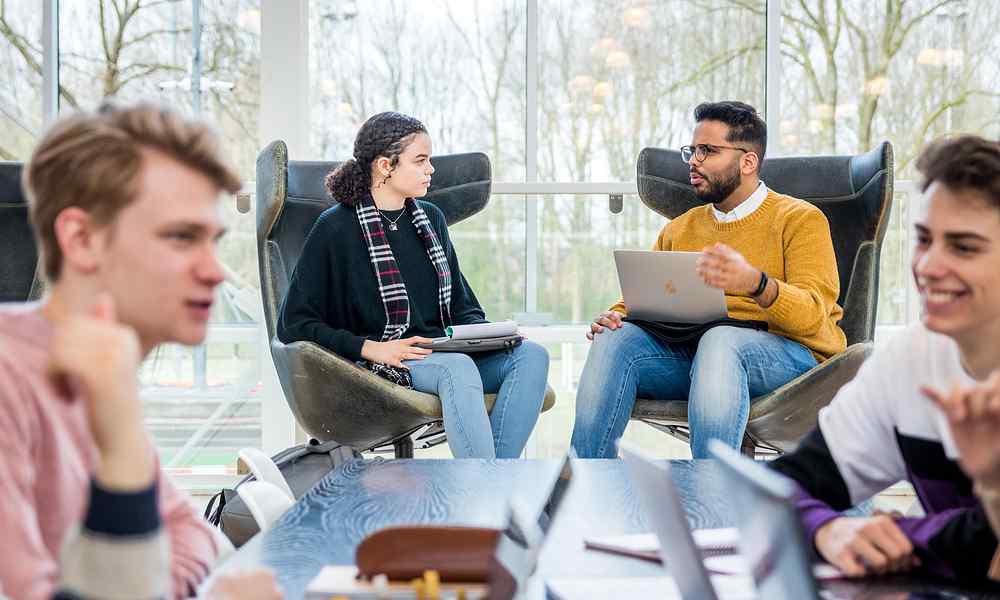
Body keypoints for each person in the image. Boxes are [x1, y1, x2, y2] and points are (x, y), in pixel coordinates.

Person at [0, 101, 242, 599]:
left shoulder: (103, 371)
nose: (216, 271)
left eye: (213, 241)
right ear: (82, 238)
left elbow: (194, 533)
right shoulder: (8, 376)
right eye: (181, 237)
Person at [770, 135, 1000, 583]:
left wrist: (901, 534)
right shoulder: (908, 361)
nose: (929, 266)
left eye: (964, 247)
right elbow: (784, 485)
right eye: (923, 240)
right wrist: (828, 530)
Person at [571, 101, 845, 459]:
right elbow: (648, 295)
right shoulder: (681, 228)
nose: (693, 161)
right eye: (693, 150)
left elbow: (813, 316)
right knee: (614, 340)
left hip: (793, 357)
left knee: (721, 340)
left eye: (708, 151)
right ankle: (582, 484)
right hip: (699, 353)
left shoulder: (800, 219)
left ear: (748, 162)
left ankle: (709, 495)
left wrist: (757, 284)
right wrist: (616, 316)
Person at [278, 111, 549, 459]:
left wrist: (491, 337)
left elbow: (462, 307)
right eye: (420, 160)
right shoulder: (335, 228)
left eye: (429, 160)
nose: (431, 170)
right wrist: (370, 348)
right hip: (384, 361)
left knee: (530, 356)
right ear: (384, 166)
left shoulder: (431, 220)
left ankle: (489, 482)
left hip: (443, 349)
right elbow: (294, 324)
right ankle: (488, 491)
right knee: (458, 369)